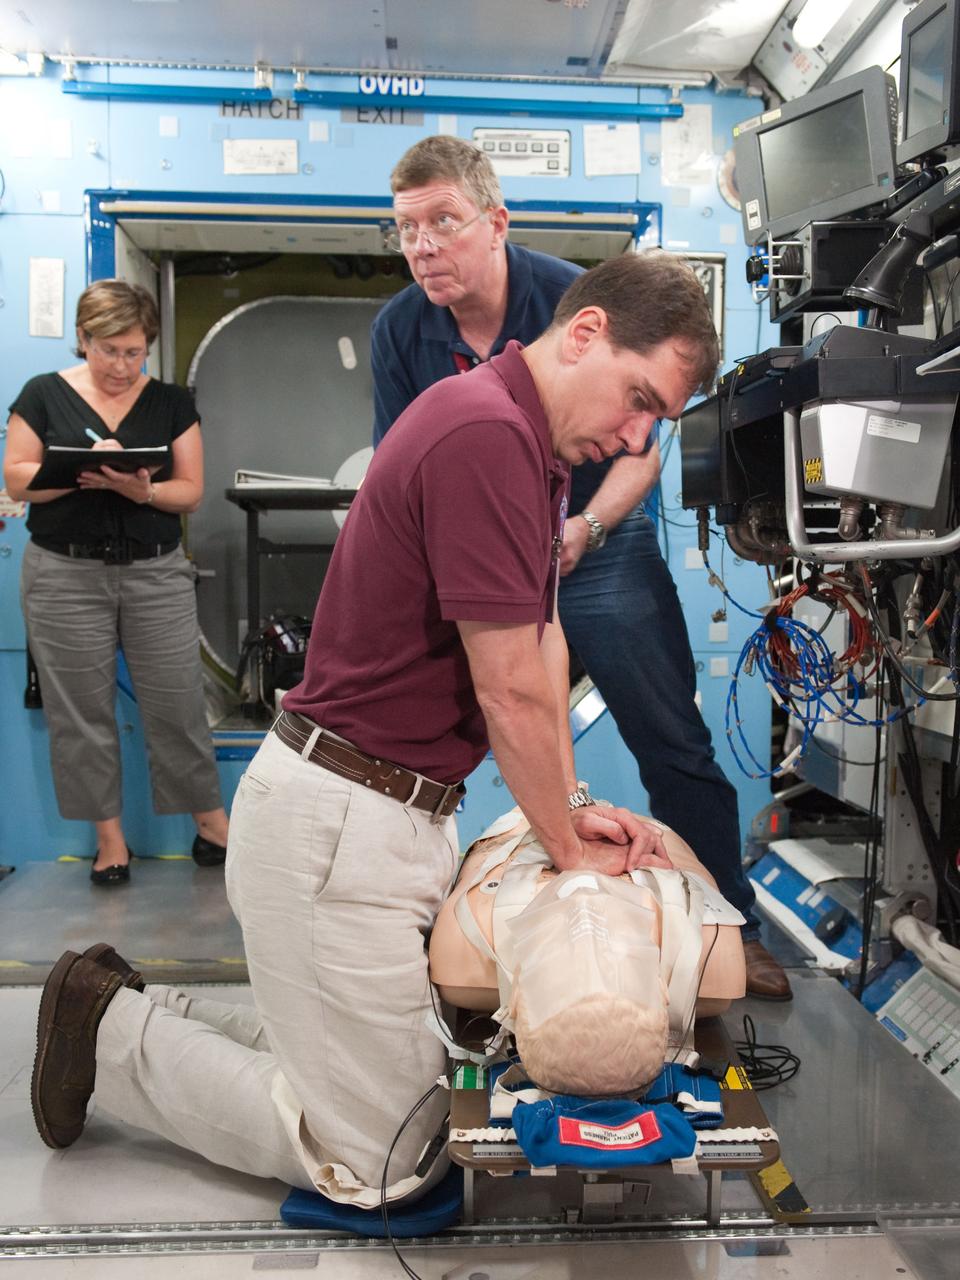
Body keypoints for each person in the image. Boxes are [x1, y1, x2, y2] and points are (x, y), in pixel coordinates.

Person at [31, 253, 716, 1208]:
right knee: (390, 1165)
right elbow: (509, 687)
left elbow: (544, 637)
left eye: (660, 422)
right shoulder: (484, 434)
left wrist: (572, 806)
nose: (638, 434)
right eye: (641, 399)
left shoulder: (532, 448)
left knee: (408, 1091)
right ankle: (108, 1036)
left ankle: (143, 1011)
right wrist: (564, 846)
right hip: (339, 827)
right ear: (589, 331)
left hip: (383, 818)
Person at [371, 135, 790, 1001]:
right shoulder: (398, 330)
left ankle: (732, 927)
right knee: (478, 711)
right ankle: (458, 921)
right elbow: (397, 464)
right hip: (491, 543)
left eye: (443, 221)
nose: (423, 246)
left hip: (596, 540)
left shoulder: (578, 303)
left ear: (495, 221)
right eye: (405, 228)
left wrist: (582, 529)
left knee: (671, 737)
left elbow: (640, 452)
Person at [4, 280, 229, 883]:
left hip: (155, 573)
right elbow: (19, 478)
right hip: (63, 574)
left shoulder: (171, 402)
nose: (122, 366)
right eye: (109, 350)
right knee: (82, 714)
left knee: (178, 704)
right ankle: (111, 843)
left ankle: (212, 827)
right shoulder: (42, 395)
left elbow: (191, 491)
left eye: (134, 352)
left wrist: (141, 490)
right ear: (83, 340)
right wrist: (78, 473)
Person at [430, 807, 746, 1095]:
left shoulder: (465, 937)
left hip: (523, 825)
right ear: (664, 992)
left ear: (513, 1002)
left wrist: (568, 817)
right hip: (639, 829)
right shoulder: (706, 945)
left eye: (565, 960)